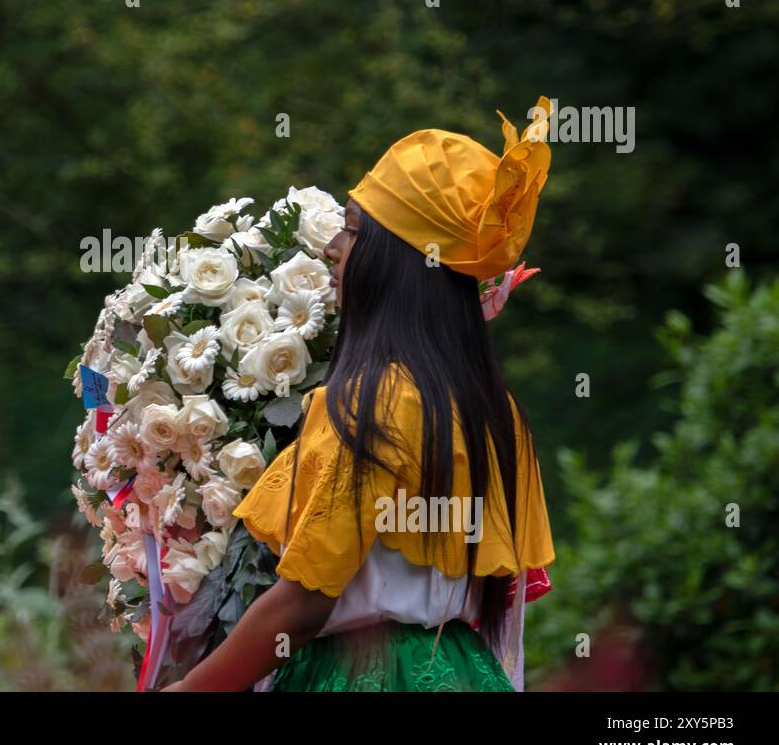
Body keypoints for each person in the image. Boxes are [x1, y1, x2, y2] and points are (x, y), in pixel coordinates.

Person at [163, 98, 557, 692]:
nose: (333, 248)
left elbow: (303, 603)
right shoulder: (497, 410)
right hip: (462, 672)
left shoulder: (376, 401)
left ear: (397, 259)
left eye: (351, 230)